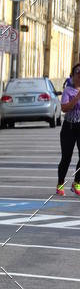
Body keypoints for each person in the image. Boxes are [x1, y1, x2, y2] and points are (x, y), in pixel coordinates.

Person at [56, 63, 80, 197]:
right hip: (69, 127)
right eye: (78, 74)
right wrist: (76, 98)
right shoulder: (68, 91)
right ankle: (60, 183)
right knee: (66, 157)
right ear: (73, 76)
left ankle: (77, 182)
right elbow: (65, 108)